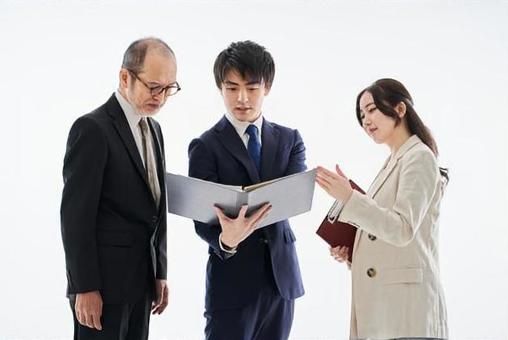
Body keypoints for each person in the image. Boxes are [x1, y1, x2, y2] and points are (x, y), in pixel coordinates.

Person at [60, 37, 180, 340]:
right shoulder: (92, 129)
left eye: (169, 88)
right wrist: (84, 287)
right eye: (154, 87)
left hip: (141, 283)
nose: (161, 97)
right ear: (125, 77)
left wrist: (160, 270)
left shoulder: (153, 128)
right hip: (102, 288)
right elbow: (75, 218)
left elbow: (156, 205)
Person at [188, 40, 306, 340]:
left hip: (281, 280)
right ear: (220, 88)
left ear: (266, 87)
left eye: (251, 88)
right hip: (232, 284)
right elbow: (203, 221)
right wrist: (226, 240)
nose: (242, 98)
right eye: (231, 88)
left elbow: (292, 197)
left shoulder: (289, 140)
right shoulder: (205, 146)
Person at [316, 78, 448, 340]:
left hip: (407, 313)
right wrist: (354, 251)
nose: (366, 120)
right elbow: (385, 229)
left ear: (400, 109)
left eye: (372, 109)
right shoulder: (394, 161)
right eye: (361, 114)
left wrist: (350, 198)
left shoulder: (419, 157)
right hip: (387, 311)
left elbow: (402, 228)